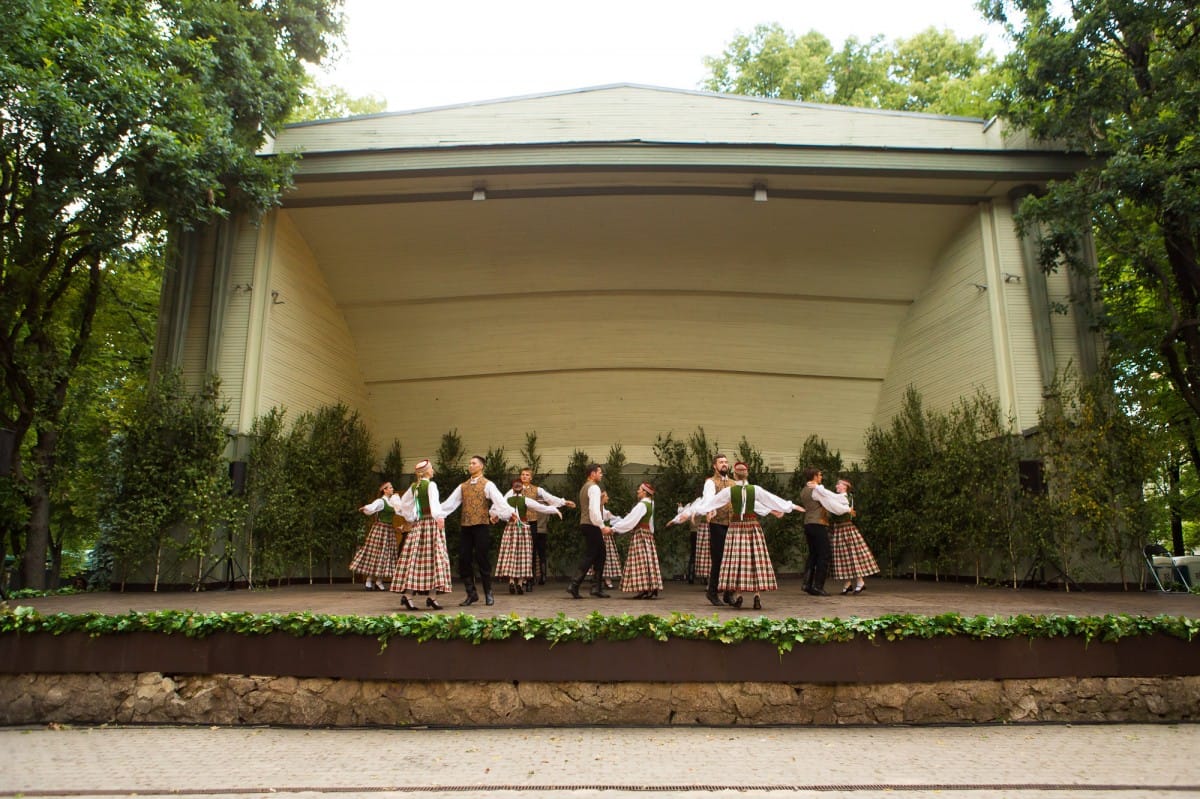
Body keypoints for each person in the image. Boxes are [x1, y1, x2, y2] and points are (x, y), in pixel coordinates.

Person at [676, 462, 802, 609]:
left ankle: (739, 594)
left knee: (737, 560)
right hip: (752, 526)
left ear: (734, 475)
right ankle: (756, 596)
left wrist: (691, 512)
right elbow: (772, 500)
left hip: (736, 527)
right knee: (754, 559)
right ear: (747, 474)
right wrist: (790, 506)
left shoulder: (729, 491)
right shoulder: (755, 489)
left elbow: (711, 504)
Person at [439, 454, 510, 607]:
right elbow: (450, 504)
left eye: (474, 463)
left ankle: (488, 593)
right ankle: (471, 594)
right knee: (464, 559)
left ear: (481, 466)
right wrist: (435, 512)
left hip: (481, 526)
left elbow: (499, 501)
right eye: (470, 463)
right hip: (466, 527)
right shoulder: (463, 486)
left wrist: (506, 514)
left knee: (482, 558)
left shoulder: (487, 484)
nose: (470, 466)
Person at [390, 459, 453, 610]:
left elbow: (404, 505)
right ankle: (429, 596)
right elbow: (434, 504)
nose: (433, 471)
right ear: (426, 472)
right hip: (431, 524)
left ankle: (414, 596)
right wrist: (439, 517)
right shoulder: (430, 485)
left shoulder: (414, 486)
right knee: (434, 559)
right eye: (431, 468)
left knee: (416, 561)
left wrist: (411, 518)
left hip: (419, 526)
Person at [505, 468, 575, 591]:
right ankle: (516, 578)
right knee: (517, 550)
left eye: (527, 475)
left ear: (531, 477)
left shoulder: (537, 490)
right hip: (517, 524)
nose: (524, 476)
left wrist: (563, 502)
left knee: (530, 551)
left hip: (531, 522)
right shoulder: (513, 490)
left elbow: (550, 498)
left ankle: (529, 580)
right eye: (522, 474)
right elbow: (503, 502)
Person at [492, 479, 562, 594]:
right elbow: (541, 508)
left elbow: (498, 511)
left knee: (511, 554)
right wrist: (555, 510)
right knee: (523, 555)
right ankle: (519, 583)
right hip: (522, 528)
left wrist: (494, 516)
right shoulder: (525, 500)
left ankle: (512, 581)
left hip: (511, 529)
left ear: (512, 489)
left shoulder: (507, 500)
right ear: (522, 489)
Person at [799, 467, 853, 597]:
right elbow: (830, 503)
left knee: (813, 554)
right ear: (814, 476)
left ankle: (807, 584)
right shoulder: (816, 491)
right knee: (824, 554)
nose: (821, 477)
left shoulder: (804, 490)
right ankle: (818, 586)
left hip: (808, 523)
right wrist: (846, 509)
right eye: (819, 475)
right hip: (818, 524)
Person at [565, 463, 613, 599]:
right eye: (599, 472)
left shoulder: (585, 487)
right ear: (593, 474)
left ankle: (595, 587)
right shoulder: (594, 488)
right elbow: (593, 510)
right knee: (591, 555)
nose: (601, 475)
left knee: (600, 554)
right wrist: (601, 526)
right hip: (592, 524)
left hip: (587, 524)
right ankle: (575, 584)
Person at [611, 482, 663, 599]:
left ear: (644, 492)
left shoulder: (642, 505)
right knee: (647, 562)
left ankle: (646, 588)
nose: (637, 491)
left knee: (641, 562)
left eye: (639, 489)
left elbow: (630, 521)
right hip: (647, 534)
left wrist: (614, 528)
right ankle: (650, 588)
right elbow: (649, 522)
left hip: (640, 534)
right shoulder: (650, 503)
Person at [830, 478, 878, 595]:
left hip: (846, 528)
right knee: (843, 557)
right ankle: (847, 583)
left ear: (845, 487)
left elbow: (839, 510)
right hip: (839, 529)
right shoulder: (839, 497)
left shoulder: (845, 497)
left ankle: (860, 581)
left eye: (839, 484)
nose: (837, 486)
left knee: (852, 555)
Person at [350, 481, 401, 591]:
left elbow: (400, 511)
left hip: (389, 530)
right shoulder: (381, 501)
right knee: (375, 554)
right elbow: (372, 507)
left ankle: (379, 581)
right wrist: (365, 508)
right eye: (390, 488)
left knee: (386, 555)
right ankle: (368, 580)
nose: (392, 489)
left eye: (392, 487)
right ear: (385, 490)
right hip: (380, 529)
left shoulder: (392, 501)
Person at [701, 454, 735, 607]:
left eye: (726, 462)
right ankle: (712, 592)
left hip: (732, 524)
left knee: (732, 559)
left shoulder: (733, 483)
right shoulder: (711, 482)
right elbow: (708, 498)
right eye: (721, 462)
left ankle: (728, 593)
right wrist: (709, 510)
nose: (724, 464)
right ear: (715, 466)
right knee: (718, 558)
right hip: (717, 523)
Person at [587, 490, 622, 589]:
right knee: (595, 556)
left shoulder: (605, 511)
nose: (608, 498)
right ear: (601, 498)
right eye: (606, 496)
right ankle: (596, 578)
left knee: (607, 557)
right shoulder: (595, 510)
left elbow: (614, 519)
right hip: (596, 535)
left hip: (605, 537)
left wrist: (625, 520)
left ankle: (607, 579)